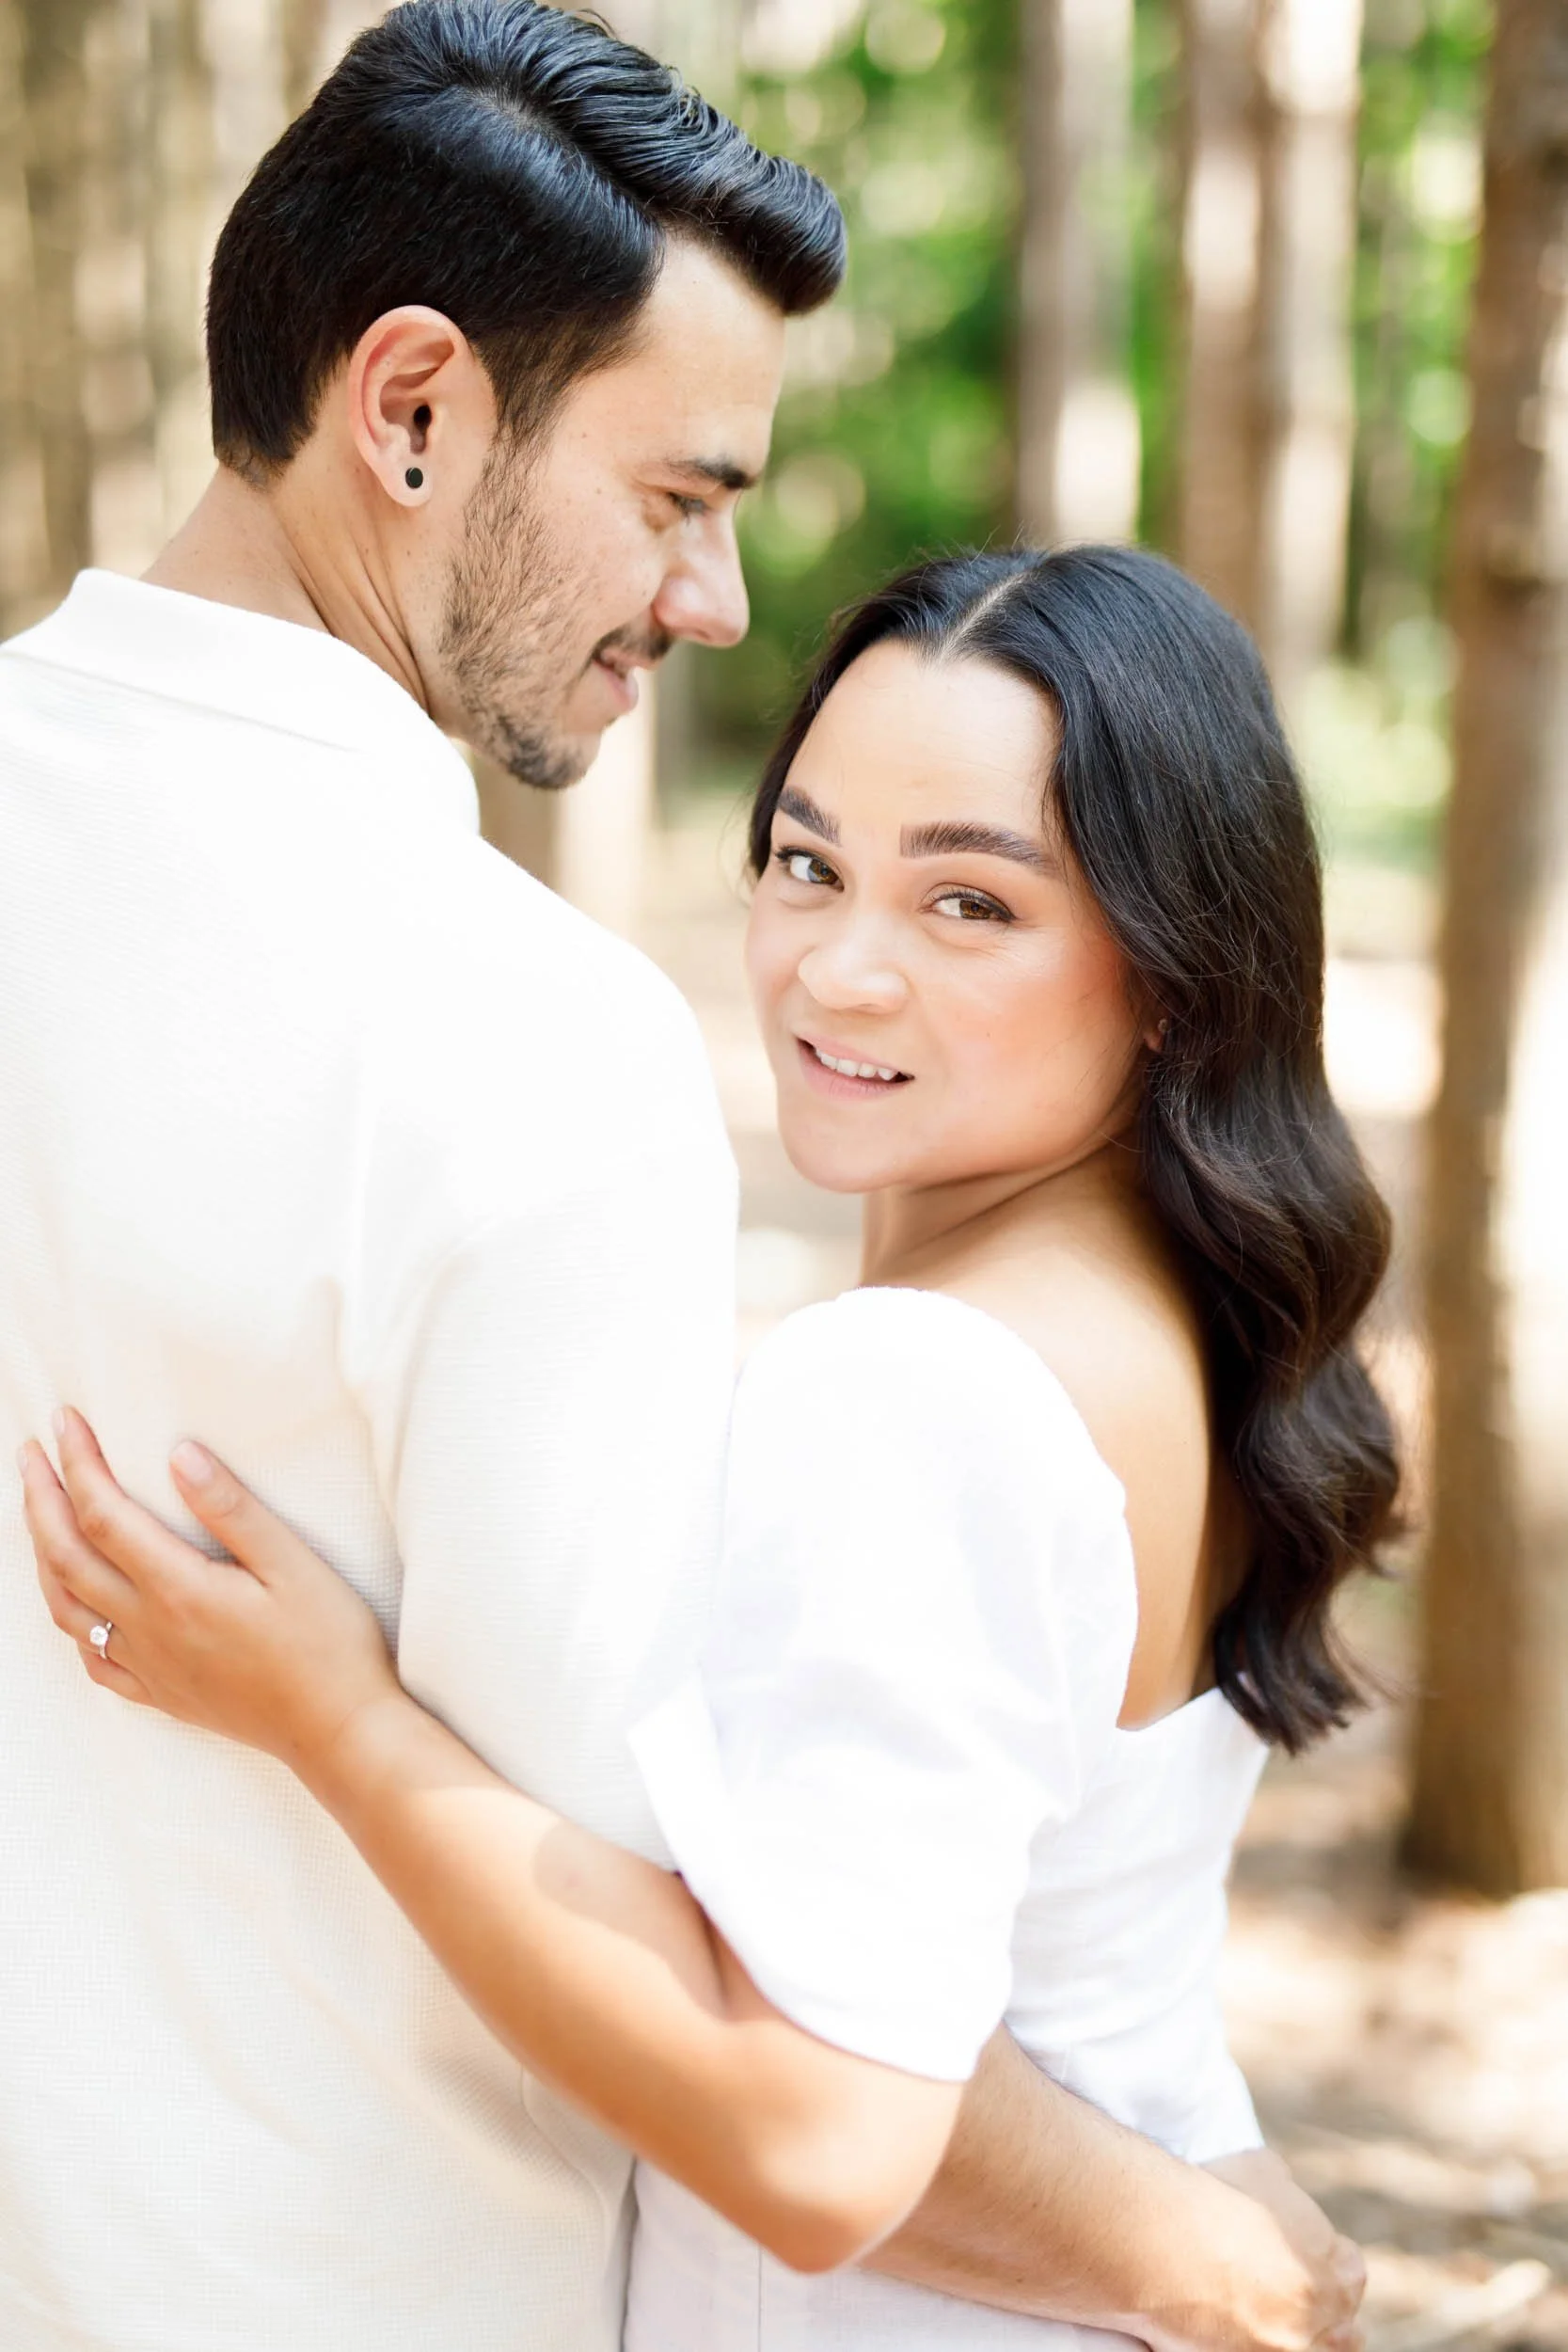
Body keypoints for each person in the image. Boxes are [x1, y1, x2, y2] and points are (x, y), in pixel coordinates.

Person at [24, 546, 1398, 2351]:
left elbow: (817, 2131)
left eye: (968, 907)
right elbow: (1088, 1966)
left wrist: (332, 1719)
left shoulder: (924, 1390)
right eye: (807, 864)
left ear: (1164, 969)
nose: (838, 970)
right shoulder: (1172, 1317)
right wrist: (1220, 2237)